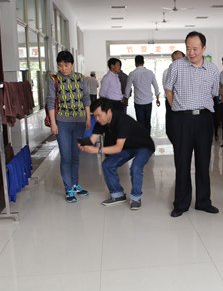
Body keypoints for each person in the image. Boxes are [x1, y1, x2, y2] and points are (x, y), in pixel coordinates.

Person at [164, 31, 220, 217]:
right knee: (182, 162)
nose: (191, 52)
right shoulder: (177, 66)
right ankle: (181, 203)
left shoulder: (212, 69)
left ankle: (203, 202)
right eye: (188, 48)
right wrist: (177, 108)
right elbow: (168, 90)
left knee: (203, 162)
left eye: (195, 49)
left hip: (204, 119)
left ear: (204, 48)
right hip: (182, 120)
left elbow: (213, 93)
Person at [79, 98, 155, 210]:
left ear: (109, 111)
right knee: (107, 165)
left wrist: (97, 150)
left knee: (136, 167)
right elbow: (92, 140)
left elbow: (118, 148)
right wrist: (82, 143)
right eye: (95, 116)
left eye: (99, 115)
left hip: (143, 145)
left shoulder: (122, 120)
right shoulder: (101, 122)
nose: (97, 119)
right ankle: (117, 194)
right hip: (127, 146)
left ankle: (136, 197)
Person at [46, 50, 91, 203]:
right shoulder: (54, 79)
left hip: (79, 122)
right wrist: (53, 123)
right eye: (60, 65)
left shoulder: (80, 78)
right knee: (66, 156)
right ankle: (68, 188)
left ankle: (75, 184)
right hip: (62, 123)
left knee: (76, 156)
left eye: (66, 65)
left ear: (72, 64)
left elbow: (86, 99)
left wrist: (88, 118)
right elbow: (50, 102)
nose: (63, 68)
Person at [125, 55, 161, 133]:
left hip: (138, 102)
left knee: (140, 122)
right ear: (143, 62)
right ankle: (148, 137)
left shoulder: (132, 74)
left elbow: (128, 88)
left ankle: (142, 138)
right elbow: (156, 87)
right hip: (148, 101)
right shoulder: (150, 73)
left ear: (135, 63)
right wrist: (157, 99)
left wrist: (126, 99)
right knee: (147, 122)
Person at [163, 50, 185, 145]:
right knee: (170, 128)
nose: (177, 62)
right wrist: (173, 106)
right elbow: (167, 90)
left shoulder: (190, 71)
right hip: (171, 101)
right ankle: (176, 144)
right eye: (174, 60)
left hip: (185, 103)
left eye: (179, 59)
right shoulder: (167, 72)